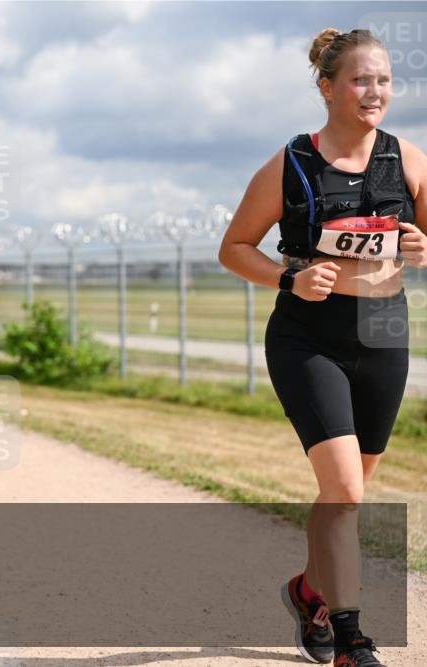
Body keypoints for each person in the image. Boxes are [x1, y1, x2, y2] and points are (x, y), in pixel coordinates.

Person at [219, 28, 427, 667]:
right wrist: (291, 277)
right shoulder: (291, 164)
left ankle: (308, 590)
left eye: (384, 79)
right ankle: (351, 638)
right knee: (345, 494)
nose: (375, 92)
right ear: (328, 87)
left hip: (385, 335)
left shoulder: (409, 159)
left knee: (346, 494)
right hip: (309, 339)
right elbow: (234, 248)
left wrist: (422, 247)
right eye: (361, 80)